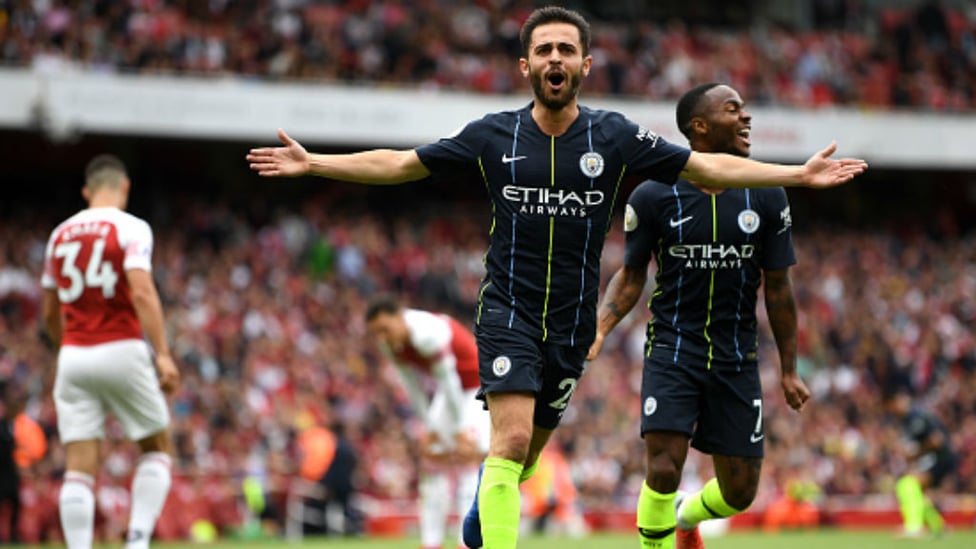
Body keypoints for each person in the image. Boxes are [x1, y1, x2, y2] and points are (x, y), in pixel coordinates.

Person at [246, 7, 867, 547]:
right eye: (543, 49)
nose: (554, 57)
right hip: (507, 313)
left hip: (570, 327)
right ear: (526, 66)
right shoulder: (493, 134)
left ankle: (482, 518)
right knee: (509, 443)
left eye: (566, 49)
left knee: (521, 461)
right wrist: (316, 163)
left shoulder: (615, 135)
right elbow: (402, 164)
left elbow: (707, 168)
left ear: (585, 64)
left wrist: (795, 176)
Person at [587, 82, 811, 549]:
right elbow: (631, 276)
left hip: (735, 358)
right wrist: (601, 327)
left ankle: (687, 517)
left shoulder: (767, 195)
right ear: (700, 127)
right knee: (664, 466)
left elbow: (779, 287)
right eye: (734, 109)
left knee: (740, 491)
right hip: (672, 349)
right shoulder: (652, 195)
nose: (746, 117)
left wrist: (789, 369)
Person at [40, 154, 180, 549]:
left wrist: (62, 346)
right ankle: (136, 541)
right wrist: (164, 353)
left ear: (86, 191)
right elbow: (140, 290)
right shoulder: (132, 228)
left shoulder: (59, 234)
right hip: (121, 345)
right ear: (125, 187)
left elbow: (50, 311)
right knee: (156, 446)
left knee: (79, 466)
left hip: (73, 354)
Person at [365, 296, 488, 549]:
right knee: (432, 462)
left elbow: (450, 382)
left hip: (476, 388)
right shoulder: (391, 344)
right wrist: (430, 428)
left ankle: (466, 542)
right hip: (450, 393)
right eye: (377, 333)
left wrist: (460, 429)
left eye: (385, 329)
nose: (383, 337)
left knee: (467, 458)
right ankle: (430, 543)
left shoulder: (427, 334)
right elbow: (413, 388)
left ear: (399, 317)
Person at [882, 386, 958, 538]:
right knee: (918, 493)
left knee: (907, 484)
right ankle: (938, 526)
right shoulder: (908, 419)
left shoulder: (916, 417)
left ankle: (914, 527)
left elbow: (937, 441)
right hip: (937, 458)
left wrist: (916, 454)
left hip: (940, 458)